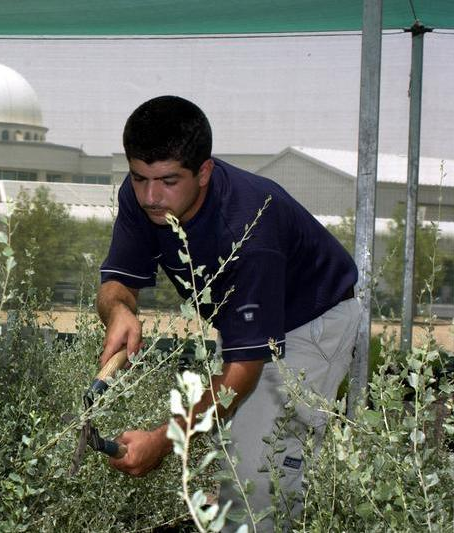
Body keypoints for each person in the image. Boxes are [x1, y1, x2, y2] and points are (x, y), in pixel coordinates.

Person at [97, 95, 360, 531]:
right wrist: (120, 310)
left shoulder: (249, 229)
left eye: (166, 180)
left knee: (262, 471)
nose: (149, 195)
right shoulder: (144, 196)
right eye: (139, 177)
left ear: (204, 172)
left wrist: (164, 442)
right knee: (234, 450)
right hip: (249, 318)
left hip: (312, 322)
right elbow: (117, 283)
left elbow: (243, 373)